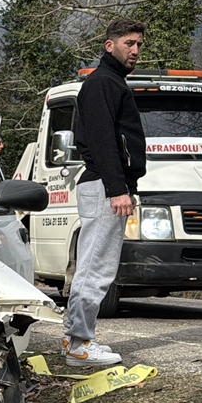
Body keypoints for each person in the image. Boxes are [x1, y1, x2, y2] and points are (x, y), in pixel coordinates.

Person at [62, 18, 147, 367]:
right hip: (103, 186)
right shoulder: (102, 84)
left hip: (106, 186)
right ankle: (79, 345)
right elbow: (102, 142)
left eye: (140, 44)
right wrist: (118, 189)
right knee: (96, 266)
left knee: (96, 264)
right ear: (110, 46)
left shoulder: (112, 83)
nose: (136, 50)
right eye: (129, 43)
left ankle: (74, 340)